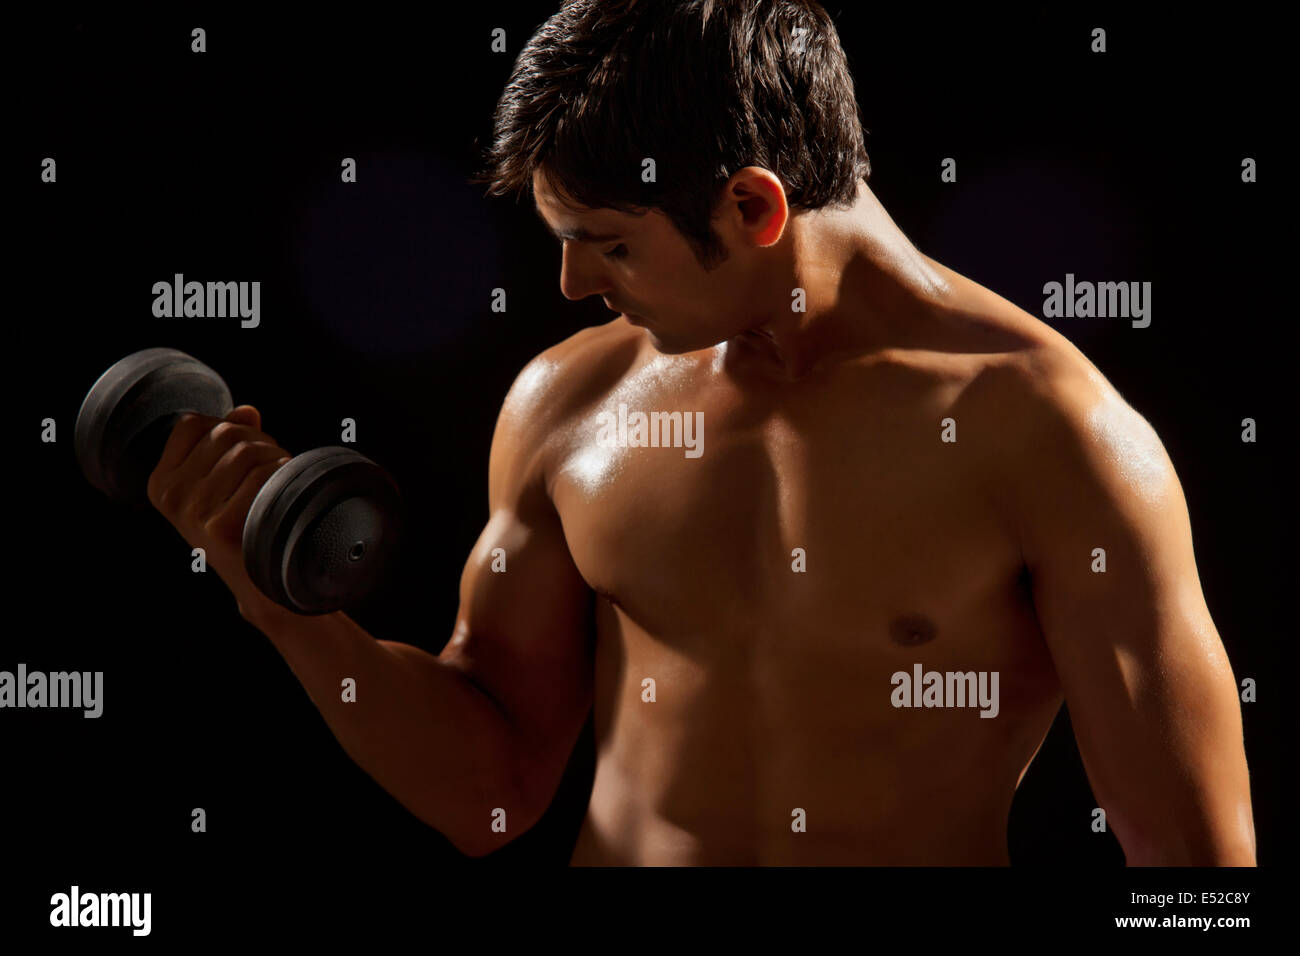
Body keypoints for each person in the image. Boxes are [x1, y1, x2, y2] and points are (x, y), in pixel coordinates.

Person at [147, 0, 1255, 864]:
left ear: (754, 207)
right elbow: (489, 796)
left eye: (612, 244)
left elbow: (1191, 868)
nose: (574, 282)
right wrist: (287, 609)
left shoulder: (1051, 433)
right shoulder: (566, 406)